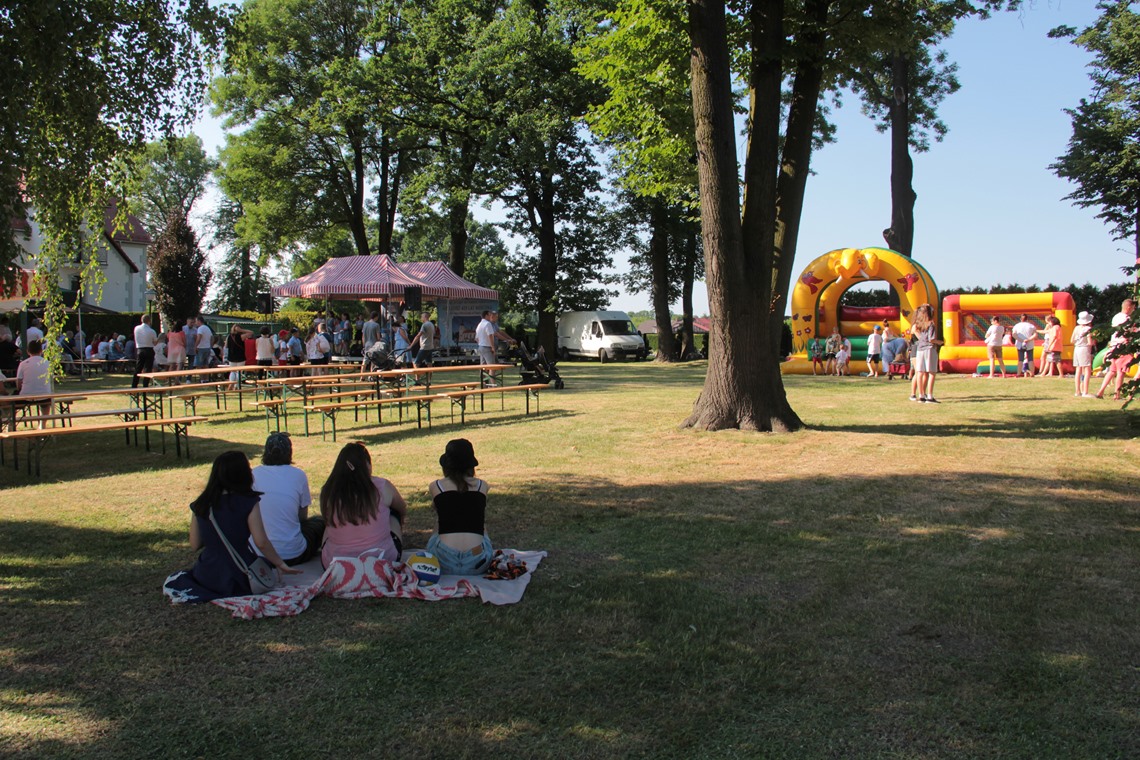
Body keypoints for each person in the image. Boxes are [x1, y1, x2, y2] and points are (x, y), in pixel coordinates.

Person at [163, 451, 299, 603]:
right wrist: (279, 563)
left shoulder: (201, 504)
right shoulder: (248, 501)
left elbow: (194, 544)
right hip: (239, 573)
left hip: (206, 573)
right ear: (244, 474)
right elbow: (261, 542)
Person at [319, 442, 408, 567]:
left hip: (336, 565)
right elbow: (402, 508)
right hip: (382, 561)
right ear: (367, 464)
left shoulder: (329, 490)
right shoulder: (382, 486)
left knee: (328, 524)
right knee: (394, 513)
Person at [251, 433, 325, 565]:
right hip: (293, 554)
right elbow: (302, 517)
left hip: (259, 554)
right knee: (320, 523)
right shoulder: (299, 475)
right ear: (289, 453)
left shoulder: (253, 474)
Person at [427, 439, 494, 575]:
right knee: (478, 520)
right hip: (478, 560)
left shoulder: (436, 486)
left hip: (442, 560)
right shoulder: (482, 486)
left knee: (441, 518)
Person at [1095, 298, 1136, 400]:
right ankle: (1117, 395)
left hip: (1113, 346)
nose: (1133, 310)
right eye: (1133, 308)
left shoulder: (1116, 317)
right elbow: (1126, 333)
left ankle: (1100, 392)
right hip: (1122, 347)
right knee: (1121, 371)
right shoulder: (1127, 318)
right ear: (1129, 307)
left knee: (1112, 371)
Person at [910, 303, 943, 403]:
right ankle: (930, 396)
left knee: (920, 372)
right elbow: (931, 339)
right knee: (932, 372)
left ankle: (921, 395)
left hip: (920, 349)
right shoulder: (931, 323)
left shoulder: (919, 324)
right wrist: (940, 342)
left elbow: (919, 336)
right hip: (929, 348)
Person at [16, 340, 52, 426]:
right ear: (41, 351)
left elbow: (19, 381)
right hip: (44, 395)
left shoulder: (23, 364)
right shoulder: (47, 363)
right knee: (46, 404)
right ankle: (43, 424)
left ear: (28, 351)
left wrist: (19, 389)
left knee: (13, 404)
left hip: (26, 395)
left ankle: (11, 424)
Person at [1071, 310, 1096, 398]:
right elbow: (1090, 342)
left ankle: (1077, 391)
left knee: (1078, 369)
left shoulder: (1076, 328)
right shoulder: (1088, 329)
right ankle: (1085, 391)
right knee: (1087, 369)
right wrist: (1093, 340)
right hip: (1084, 349)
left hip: (1076, 348)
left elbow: (1072, 340)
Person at [131, 314, 158, 388]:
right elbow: (155, 343)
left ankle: (134, 385)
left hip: (140, 349)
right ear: (149, 321)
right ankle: (145, 385)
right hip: (149, 349)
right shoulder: (152, 331)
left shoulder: (136, 328)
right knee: (148, 369)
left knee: (138, 368)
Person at [1011, 313, 1038, 378]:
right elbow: (1035, 335)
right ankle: (1032, 373)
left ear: (1020, 319)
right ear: (1027, 319)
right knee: (1030, 359)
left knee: (1020, 359)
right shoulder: (1031, 326)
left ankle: (1018, 373)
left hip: (1020, 344)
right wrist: (1028, 339)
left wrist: (1021, 340)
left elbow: (1014, 334)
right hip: (1029, 344)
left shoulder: (1017, 325)